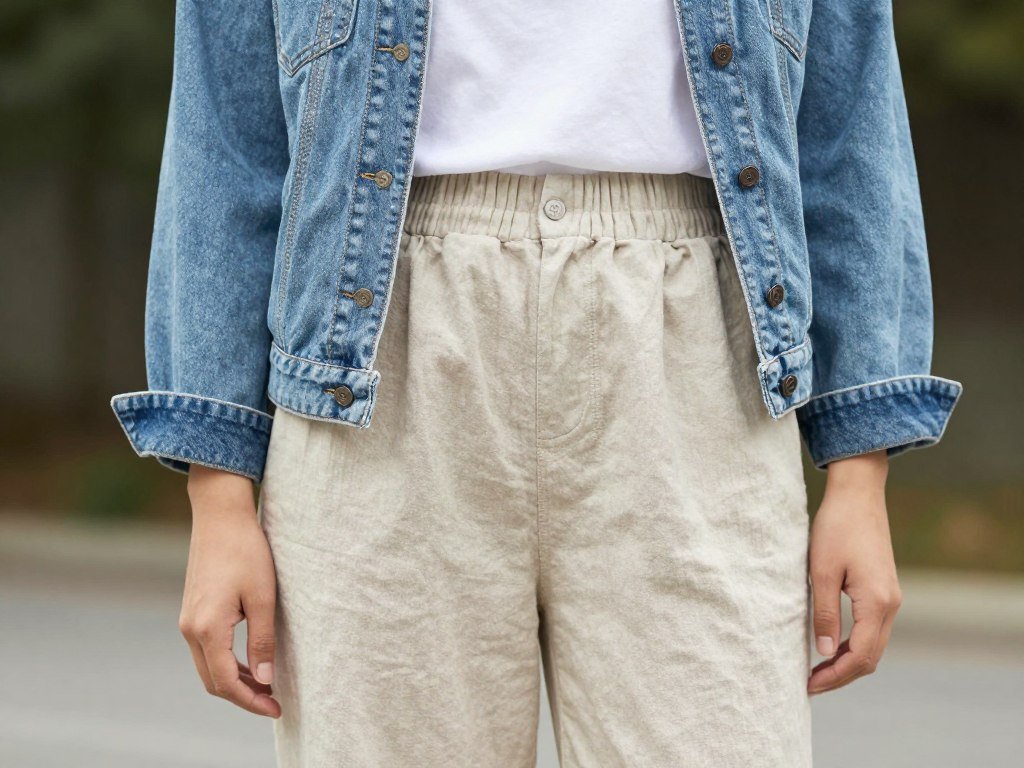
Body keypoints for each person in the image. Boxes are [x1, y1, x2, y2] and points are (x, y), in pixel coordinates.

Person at [111, 1, 963, 766]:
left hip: (701, 345)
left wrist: (861, 467)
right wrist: (220, 495)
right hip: (374, 340)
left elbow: (850, 117)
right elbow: (228, 127)